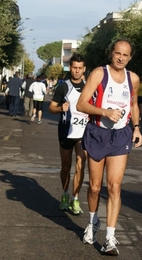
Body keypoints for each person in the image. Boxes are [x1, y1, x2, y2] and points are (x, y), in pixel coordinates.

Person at [76, 38, 142, 256]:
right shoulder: (99, 73)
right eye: (118, 53)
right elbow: (81, 104)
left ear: (130, 57)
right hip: (97, 133)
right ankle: (93, 221)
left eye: (125, 55)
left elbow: (133, 104)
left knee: (114, 186)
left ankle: (110, 237)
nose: (121, 58)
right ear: (111, 53)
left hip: (121, 136)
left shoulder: (133, 79)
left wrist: (136, 127)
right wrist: (105, 112)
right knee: (95, 187)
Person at [49, 53, 87, 215]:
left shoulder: (89, 87)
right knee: (66, 166)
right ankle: (65, 194)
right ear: (70, 68)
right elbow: (51, 107)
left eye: (80, 68)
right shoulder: (63, 86)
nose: (77, 71)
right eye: (74, 68)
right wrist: (60, 109)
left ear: (84, 69)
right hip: (66, 131)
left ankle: (75, 199)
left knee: (80, 165)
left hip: (83, 132)